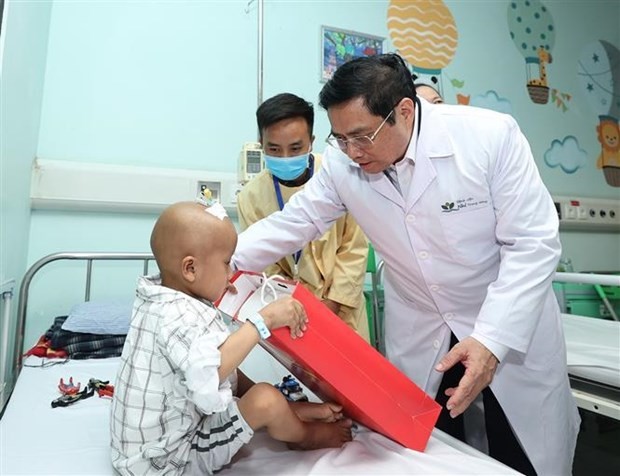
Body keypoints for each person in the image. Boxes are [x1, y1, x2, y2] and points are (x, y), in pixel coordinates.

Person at [232, 53, 580, 476]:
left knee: (520, 450)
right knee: (426, 452)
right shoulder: (344, 162)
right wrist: (214, 265)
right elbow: (296, 221)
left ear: (405, 111)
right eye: (339, 139)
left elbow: (533, 244)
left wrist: (491, 340)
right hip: (421, 327)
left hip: (503, 320)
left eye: (361, 137)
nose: (351, 152)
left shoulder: (489, 138)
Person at [110, 201, 353, 475]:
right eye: (227, 264)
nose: (230, 276)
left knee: (232, 369)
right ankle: (305, 436)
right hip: (170, 461)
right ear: (190, 269)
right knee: (265, 399)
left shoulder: (159, 298)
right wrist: (263, 321)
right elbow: (211, 374)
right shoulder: (180, 316)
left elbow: (215, 367)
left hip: (142, 451)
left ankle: (292, 410)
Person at [237, 93, 370, 341]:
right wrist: (293, 307)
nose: (285, 157)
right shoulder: (251, 196)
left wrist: (331, 306)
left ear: (311, 141)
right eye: (274, 149)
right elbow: (264, 265)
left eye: (296, 148)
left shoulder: (340, 175)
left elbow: (354, 249)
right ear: (261, 143)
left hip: (342, 307)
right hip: (289, 314)